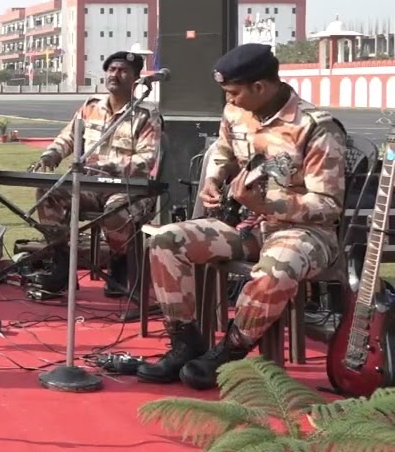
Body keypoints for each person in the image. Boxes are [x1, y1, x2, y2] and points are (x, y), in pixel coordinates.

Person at [136, 43, 346, 389]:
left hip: (305, 233)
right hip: (246, 225)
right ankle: (185, 344)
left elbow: (327, 205)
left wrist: (269, 206)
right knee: (166, 239)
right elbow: (223, 150)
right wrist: (214, 180)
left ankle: (228, 352)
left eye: (234, 93)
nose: (229, 101)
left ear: (260, 88)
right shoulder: (237, 114)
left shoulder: (316, 127)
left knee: (279, 264)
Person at [29, 51, 163, 297]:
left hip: (129, 189)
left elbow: (146, 159)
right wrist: (52, 154)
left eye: (123, 70)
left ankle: (120, 265)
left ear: (135, 78)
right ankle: (61, 264)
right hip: (89, 186)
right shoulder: (91, 107)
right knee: (48, 193)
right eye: (111, 69)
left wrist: (107, 164)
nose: (115, 75)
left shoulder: (146, 114)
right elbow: (68, 136)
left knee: (115, 210)